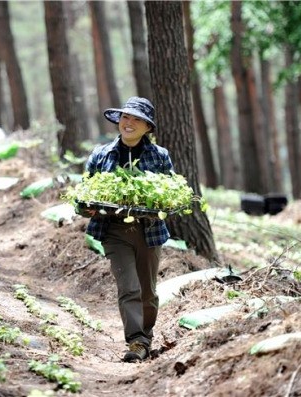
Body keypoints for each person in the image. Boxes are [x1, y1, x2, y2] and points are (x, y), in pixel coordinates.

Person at [83, 96, 174, 363]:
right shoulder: (101, 155)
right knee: (129, 287)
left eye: (136, 119)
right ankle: (137, 341)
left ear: (147, 127)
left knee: (148, 291)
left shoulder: (160, 156)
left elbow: (170, 193)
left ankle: (146, 334)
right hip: (114, 232)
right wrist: (86, 206)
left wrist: (160, 201)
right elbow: (84, 193)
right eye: (125, 117)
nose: (129, 123)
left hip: (149, 231)